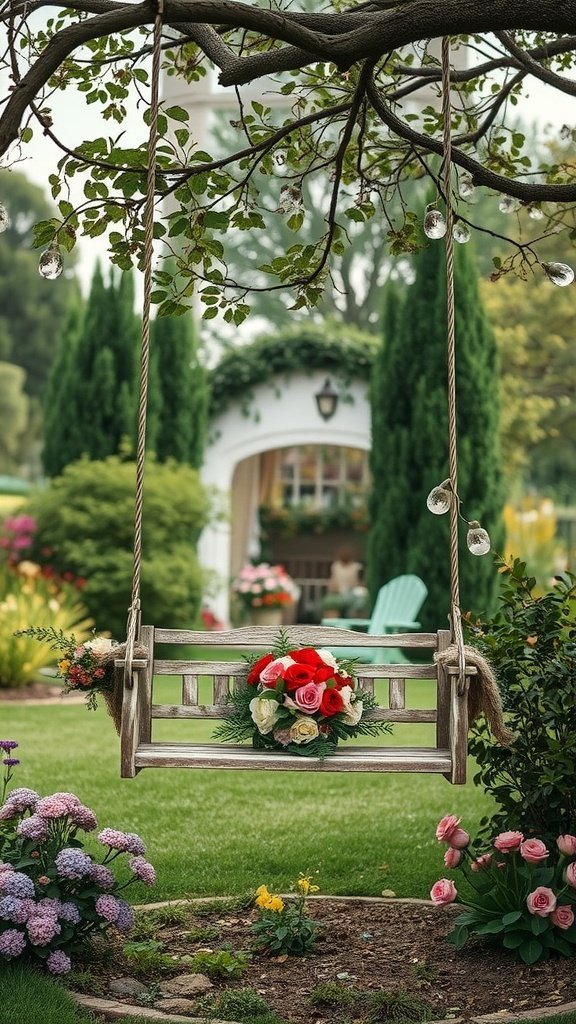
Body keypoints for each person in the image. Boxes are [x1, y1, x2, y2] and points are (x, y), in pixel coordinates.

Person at [321, 545, 368, 618]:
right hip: (343, 594)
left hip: (351, 593)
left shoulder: (356, 567)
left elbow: (333, 583)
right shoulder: (337, 566)